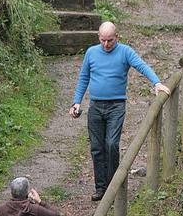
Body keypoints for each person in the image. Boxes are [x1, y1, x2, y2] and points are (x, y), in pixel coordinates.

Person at [69, 21, 170, 200]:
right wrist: (76, 102)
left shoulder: (125, 51)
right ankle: (101, 188)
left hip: (116, 106)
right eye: (103, 40)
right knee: (96, 148)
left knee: (112, 144)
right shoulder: (91, 52)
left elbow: (141, 66)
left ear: (117, 37)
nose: (106, 44)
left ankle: (113, 185)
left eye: (110, 40)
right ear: (98, 38)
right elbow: (84, 77)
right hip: (95, 106)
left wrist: (156, 82)